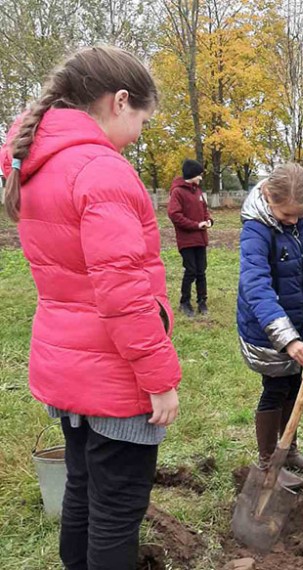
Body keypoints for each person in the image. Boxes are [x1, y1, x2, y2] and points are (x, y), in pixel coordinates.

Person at [0, 46, 182, 570]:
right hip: (114, 376)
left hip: (66, 366)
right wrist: (159, 378)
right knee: (118, 511)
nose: (141, 133)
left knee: (81, 489)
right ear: (119, 101)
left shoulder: (39, 165)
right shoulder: (102, 170)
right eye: (143, 120)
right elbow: (124, 292)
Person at [237, 163, 303, 489]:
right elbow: (256, 286)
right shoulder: (256, 230)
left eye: (299, 215)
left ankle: (289, 451)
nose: (294, 222)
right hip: (267, 329)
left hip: (297, 321)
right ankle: (267, 463)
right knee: (275, 389)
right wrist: (287, 340)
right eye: (287, 216)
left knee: (294, 385)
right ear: (266, 196)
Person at [167, 159, 213, 317]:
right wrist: (195, 225)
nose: (200, 178)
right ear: (192, 174)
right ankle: (184, 302)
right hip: (187, 240)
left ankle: (202, 302)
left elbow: (205, 209)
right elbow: (175, 215)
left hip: (201, 239)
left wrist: (208, 220)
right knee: (191, 271)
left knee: (202, 271)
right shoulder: (178, 192)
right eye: (199, 175)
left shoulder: (198, 191)